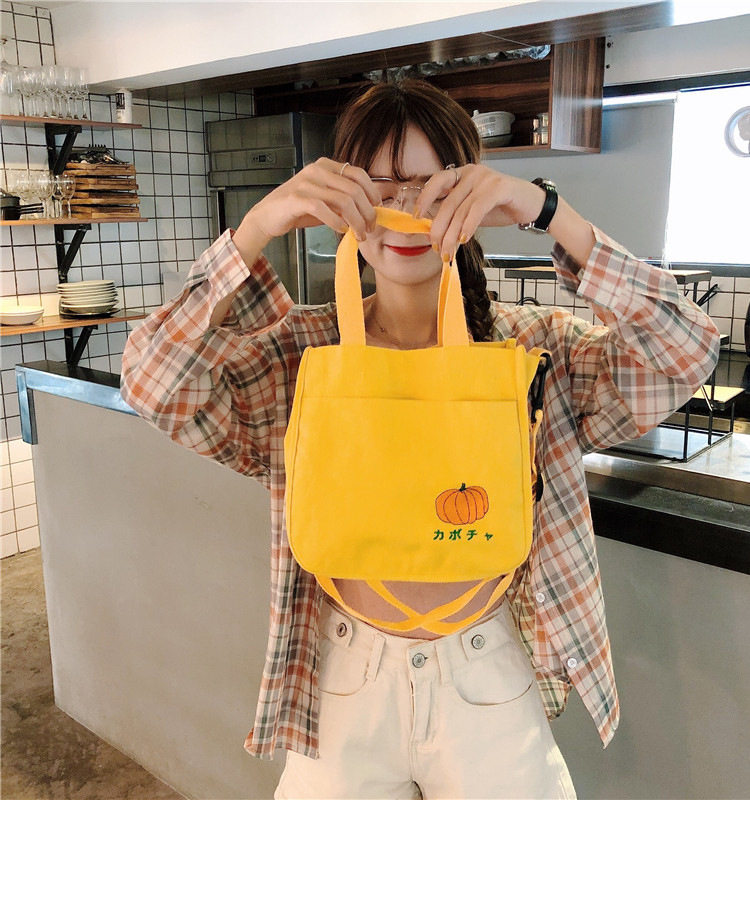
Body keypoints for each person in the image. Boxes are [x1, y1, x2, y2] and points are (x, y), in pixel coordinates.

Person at [120, 79, 720, 799]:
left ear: (472, 196)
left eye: (431, 188)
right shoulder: (303, 356)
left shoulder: (529, 353)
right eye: (376, 188)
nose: (403, 210)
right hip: (342, 675)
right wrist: (255, 228)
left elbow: (685, 350)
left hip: (489, 669)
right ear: (340, 201)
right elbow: (153, 385)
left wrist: (546, 210)